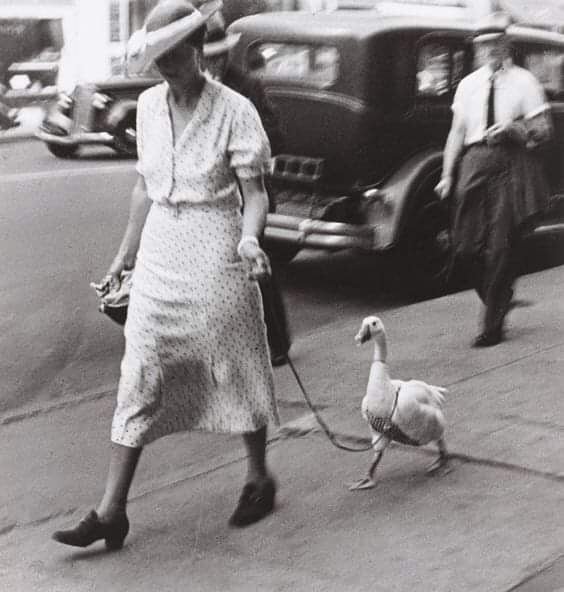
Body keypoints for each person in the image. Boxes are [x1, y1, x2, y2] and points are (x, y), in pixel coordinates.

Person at [52, 0, 280, 550]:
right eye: (158, 58)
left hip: (217, 247)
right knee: (141, 368)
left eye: (176, 55)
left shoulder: (234, 110)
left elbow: (255, 193)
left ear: (198, 50)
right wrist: (125, 252)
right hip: (161, 254)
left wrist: (250, 238)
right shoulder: (150, 106)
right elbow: (143, 186)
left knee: (234, 361)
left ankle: (258, 476)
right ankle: (111, 511)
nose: (167, 66)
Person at [435, 12, 552, 347]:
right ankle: (499, 300)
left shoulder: (525, 82)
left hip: (509, 163)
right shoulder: (468, 85)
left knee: (501, 247)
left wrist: (515, 129)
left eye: (494, 44)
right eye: (483, 45)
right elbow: (456, 133)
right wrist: (446, 174)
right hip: (473, 163)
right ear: (476, 49)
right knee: (465, 248)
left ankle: (491, 327)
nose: (489, 51)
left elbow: (545, 129)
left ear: (506, 45)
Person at [202, 10, 292, 366]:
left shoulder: (247, 86)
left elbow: (277, 135)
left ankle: (278, 342)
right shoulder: (197, 90)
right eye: (209, 57)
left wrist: (240, 144)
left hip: (250, 188)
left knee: (258, 267)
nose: (216, 63)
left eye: (221, 55)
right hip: (216, 193)